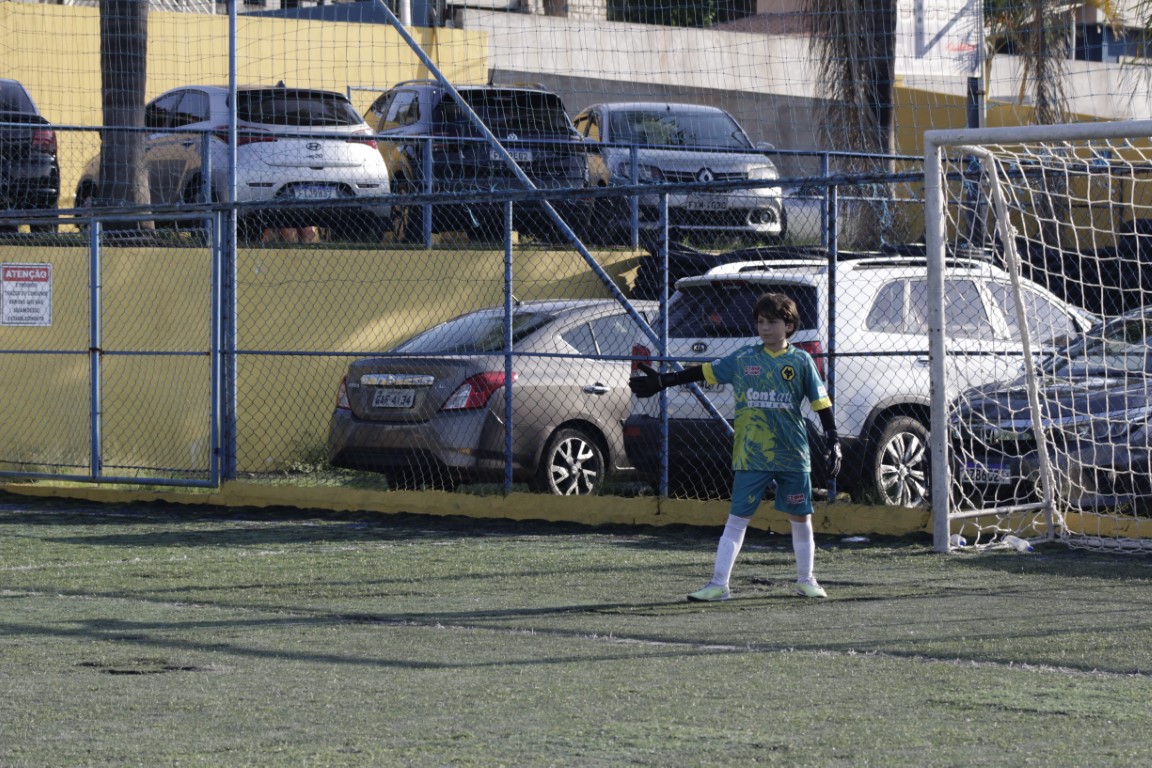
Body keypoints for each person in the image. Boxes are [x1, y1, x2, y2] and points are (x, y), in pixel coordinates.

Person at [630, 292, 842, 601]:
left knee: (801, 518)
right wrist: (663, 381)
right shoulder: (744, 358)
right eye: (761, 321)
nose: (764, 328)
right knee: (737, 519)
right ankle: (719, 584)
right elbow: (702, 371)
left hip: (792, 455)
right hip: (751, 454)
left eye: (772, 322)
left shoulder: (801, 361)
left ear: (789, 326)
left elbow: (821, 403)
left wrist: (833, 440)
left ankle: (806, 580)